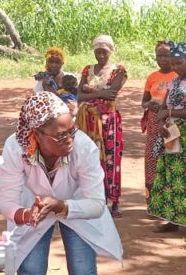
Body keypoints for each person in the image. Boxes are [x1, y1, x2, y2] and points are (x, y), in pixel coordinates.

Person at [0, 92, 122, 275]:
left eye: (72, 131)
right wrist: (25, 216)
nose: (69, 139)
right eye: (60, 135)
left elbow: (96, 203)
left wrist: (64, 207)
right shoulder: (16, 148)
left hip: (77, 208)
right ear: (36, 133)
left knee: (83, 273)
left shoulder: (83, 147)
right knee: (30, 273)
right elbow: (6, 198)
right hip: (34, 206)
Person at [149, 42, 186, 243]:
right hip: (172, 131)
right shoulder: (175, 81)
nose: (176, 67)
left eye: (179, 63)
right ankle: (172, 219)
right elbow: (166, 105)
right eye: (173, 63)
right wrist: (162, 117)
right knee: (170, 174)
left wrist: (170, 113)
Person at [78, 35, 127, 218]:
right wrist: (100, 93)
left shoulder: (118, 70)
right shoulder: (87, 69)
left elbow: (112, 94)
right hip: (87, 121)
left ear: (110, 51)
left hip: (109, 121)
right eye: (97, 51)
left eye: (104, 51)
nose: (100, 55)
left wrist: (89, 91)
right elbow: (78, 96)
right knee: (90, 158)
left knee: (111, 158)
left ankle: (114, 201)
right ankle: (95, 198)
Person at [141, 41, 176, 205]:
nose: (162, 59)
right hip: (154, 122)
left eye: (166, 55)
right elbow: (144, 102)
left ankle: (169, 202)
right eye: (159, 56)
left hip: (172, 122)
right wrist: (150, 105)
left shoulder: (178, 76)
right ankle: (152, 202)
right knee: (152, 158)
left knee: (171, 158)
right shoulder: (152, 77)